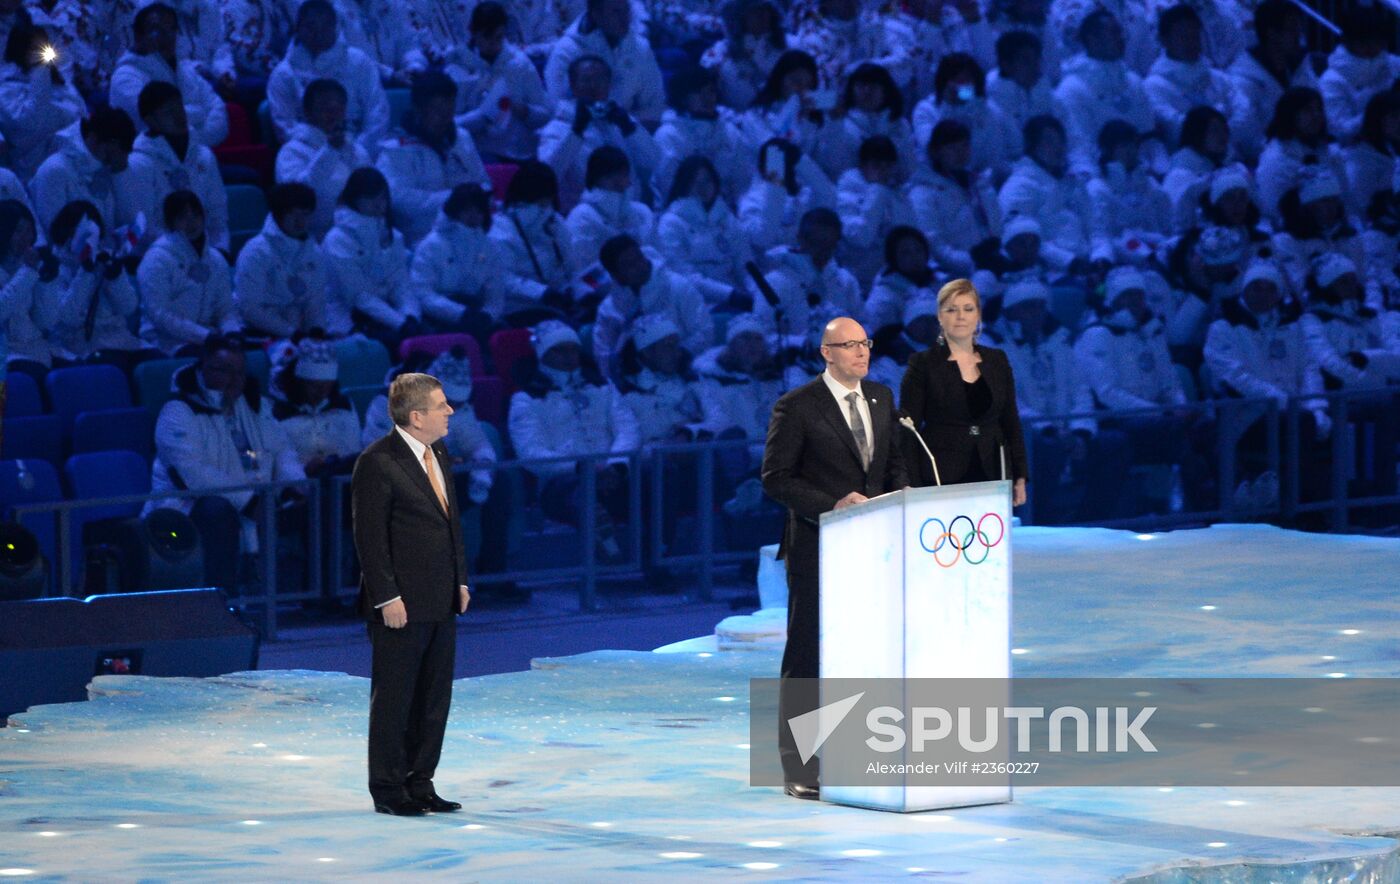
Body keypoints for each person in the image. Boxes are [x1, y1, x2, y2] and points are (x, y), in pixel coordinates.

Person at [760, 315, 909, 798]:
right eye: (850, 346)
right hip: (818, 545)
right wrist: (832, 506)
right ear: (827, 353)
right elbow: (776, 478)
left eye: (866, 344)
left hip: (877, 547)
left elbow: (891, 465)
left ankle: (861, 751)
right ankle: (800, 767)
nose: (862, 353)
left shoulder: (882, 398)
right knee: (808, 656)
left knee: (868, 650)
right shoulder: (797, 407)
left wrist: (904, 497)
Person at [352, 370, 470, 817]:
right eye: (442, 406)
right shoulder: (378, 461)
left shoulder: (440, 453)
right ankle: (388, 788)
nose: (450, 411)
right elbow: (369, 537)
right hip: (400, 603)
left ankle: (420, 781)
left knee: (434, 696)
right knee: (396, 698)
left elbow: (450, 523)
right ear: (417, 415)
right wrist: (386, 598)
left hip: (442, 597)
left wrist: (460, 579)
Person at [147, 334, 305, 588]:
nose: (234, 380)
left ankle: (314, 596)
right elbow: (192, 473)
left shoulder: (254, 405)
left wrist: (293, 484)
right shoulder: (178, 411)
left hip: (251, 499)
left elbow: (282, 449)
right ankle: (221, 600)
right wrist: (249, 501)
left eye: (240, 372)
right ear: (204, 368)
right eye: (225, 371)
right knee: (217, 509)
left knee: (317, 500)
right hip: (185, 509)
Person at [899, 278, 1028, 499]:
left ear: (977, 315)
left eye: (968, 309)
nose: (961, 317)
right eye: (952, 310)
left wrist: (1020, 476)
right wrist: (910, 483)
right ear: (940, 317)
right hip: (941, 474)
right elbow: (908, 430)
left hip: (993, 471)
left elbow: (1010, 421)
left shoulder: (997, 360)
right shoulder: (922, 364)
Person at [375, 70, 489, 245]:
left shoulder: (462, 138)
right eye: (438, 112)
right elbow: (399, 201)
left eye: (449, 112)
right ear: (418, 109)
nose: (445, 119)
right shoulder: (394, 150)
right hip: (423, 240)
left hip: (471, 234)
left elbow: (482, 182)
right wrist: (455, 199)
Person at [120, 80, 229, 251]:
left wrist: (220, 251)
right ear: (150, 120)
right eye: (169, 112)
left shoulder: (204, 155)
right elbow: (144, 226)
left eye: (179, 108)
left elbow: (218, 214)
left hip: (207, 254)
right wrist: (183, 253)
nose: (179, 116)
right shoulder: (138, 164)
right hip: (162, 259)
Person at [322, 167, 425, 346]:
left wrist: (410, 316)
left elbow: (401, 285)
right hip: (347, 319)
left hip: (388, 315)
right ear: (354, 199)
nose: (379, 204)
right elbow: (358, 296)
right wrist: (399, 323)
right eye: (371, 198)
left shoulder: (394, 236)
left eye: (383, 197)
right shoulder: (337, 240)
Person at [267, 0, 388, 152]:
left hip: (359, 153)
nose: (318, 33)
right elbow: (285, 129)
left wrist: (357, 152)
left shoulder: (359, 62)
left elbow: (377, 113)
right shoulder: (283, 75)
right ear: (298, 28)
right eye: (311, 27)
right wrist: (326, 151)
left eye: (325, 26)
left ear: (335, 27)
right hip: (307, 156)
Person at [108, 2, 228, 147]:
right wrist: (200, 113)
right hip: (150, 163)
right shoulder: (125, 78)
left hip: (195, 158)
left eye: (172, 29)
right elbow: (161, 124)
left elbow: (219, 114)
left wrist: (194, 139)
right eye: (157, 31)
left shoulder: (186, 71)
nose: (168, 37)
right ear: (138, 37)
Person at [137, 190, 240, 355]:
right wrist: (204, 336)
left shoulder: (215, 259)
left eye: (196, 215)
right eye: (183, 217)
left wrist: (231, 331)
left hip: (209, 338)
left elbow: (225, 308)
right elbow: (159, 314)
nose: (191, 222)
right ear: (170, 223)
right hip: (166, 341)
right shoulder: (156, 260)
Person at [449, 1, 550, 163]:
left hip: (518, 152)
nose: (493, 44)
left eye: (499, 37)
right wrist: (482, 117)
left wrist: (524, 111)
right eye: (487, 37)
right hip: (475, 154)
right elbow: (449, 124)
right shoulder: (457, 65)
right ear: (473, 32)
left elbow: (545, 114)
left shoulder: (519, 64)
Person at [274, 78, 371, 240]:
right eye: (325, 106)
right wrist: (330, 152)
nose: (333, 113)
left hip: (356, 236)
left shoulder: (357, 150)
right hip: (312, 240)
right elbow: (296, 199)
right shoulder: (291, 152)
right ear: (307, 111)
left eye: (338, 107)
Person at [542, 0, 666, 125]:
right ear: (596, 15)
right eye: (615, 12)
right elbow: (560, 110)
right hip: (582, 136)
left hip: (630, 132)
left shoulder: (640, 46)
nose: (624, 18)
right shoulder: (566, 51)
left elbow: (654, 105)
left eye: (626, 10)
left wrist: (627, 130)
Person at [233, 183, 329, 340]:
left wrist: (316, 332)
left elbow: (316, 301)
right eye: (294, 216)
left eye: (305, 215)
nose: (300, 222)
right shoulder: (255, 251)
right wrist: (291, 333)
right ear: (279, 214)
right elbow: (249, 308)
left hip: (298, 332)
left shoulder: (315, 252)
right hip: (258, 332)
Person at [31, 108, 136, 232]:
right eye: (109, 154)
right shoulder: (54, 171)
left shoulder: (104, 168)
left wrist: (120, 173)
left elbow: (117, 222)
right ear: (95, 138)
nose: (111, 161)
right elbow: (52, 232)